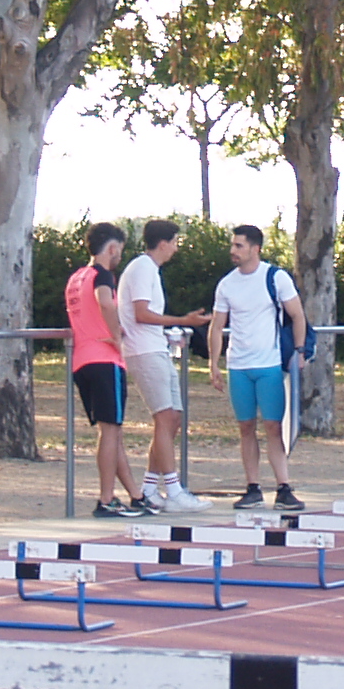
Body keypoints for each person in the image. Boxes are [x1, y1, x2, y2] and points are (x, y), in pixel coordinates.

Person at [205, 223, 307, 513]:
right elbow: (217, 326)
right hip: (239, 365)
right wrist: (214, 363)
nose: (233, 251)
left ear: (255, 249)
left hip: (268, 364)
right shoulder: (227, 284)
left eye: (239, 245)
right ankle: (252, 487)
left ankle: (284, 487)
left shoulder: (276, 277)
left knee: (273, 426)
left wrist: (299, 351)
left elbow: (297, 315)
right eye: (233, 245)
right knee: (245, 426)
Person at [116, 219, 209, 512]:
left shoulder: (149, 269)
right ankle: (173, 489)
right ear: (164, 243)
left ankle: (149, 487)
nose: (176, 248)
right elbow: (141, 313)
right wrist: (182, 320)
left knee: (173, 417)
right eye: (175, 242)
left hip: (156, 347)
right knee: (165, 417)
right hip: (144, 350)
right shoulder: (142, 268)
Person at [63, 224, 143, 519]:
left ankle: (136, 495)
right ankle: (106, 499)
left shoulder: (76, 277)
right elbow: (105, 303)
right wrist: (116, 336)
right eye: (119, 250)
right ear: (112, 248)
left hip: (82, 360)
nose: (119, 255)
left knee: (112, 432)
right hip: (104, 359)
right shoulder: (102, 274)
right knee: (111, 432)